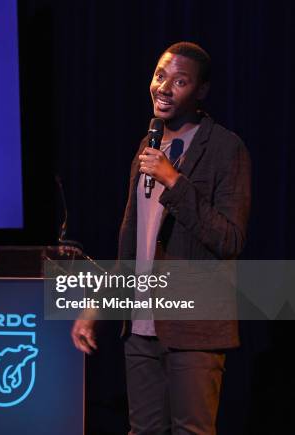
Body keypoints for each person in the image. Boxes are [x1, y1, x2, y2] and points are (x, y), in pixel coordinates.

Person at [71, 42, 251, 434]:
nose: (164, 88)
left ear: (200, 91)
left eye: (180, 81)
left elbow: (230, 239)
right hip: (140, 328)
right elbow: (132, 248)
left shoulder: (225, 148)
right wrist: (95, 309)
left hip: (194, 327)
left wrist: (174, 181)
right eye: (160, 76)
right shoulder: (146, 147)